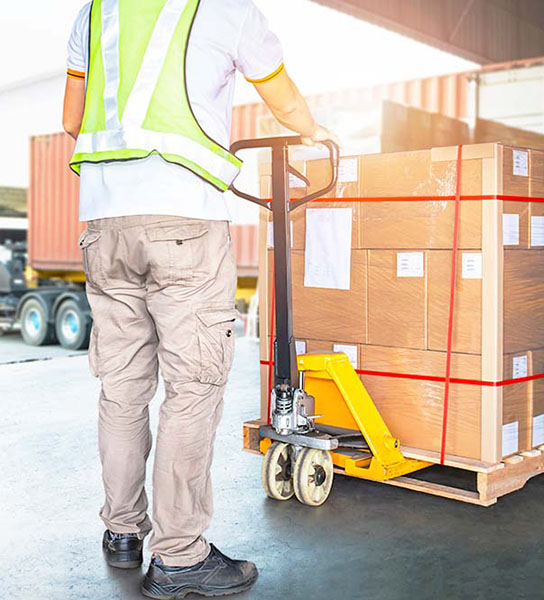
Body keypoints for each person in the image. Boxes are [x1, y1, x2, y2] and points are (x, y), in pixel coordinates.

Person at [62, 1, 335, 597]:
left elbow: (72, 118)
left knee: (123, 387)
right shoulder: (226, 8)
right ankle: (181, 556)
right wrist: (313, 133)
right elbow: (284, 101)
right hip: (183, 220)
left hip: (104, 223)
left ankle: (123, 531)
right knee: (193, 386)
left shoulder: (97, 9)